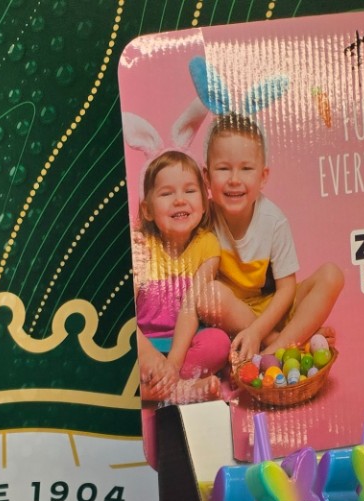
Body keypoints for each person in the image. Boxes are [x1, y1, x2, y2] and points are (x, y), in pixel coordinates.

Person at [197, 113, 342, 365]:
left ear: (263, 177)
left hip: (273, 309)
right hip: (234, 316)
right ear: (207, 177)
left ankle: (274, 349)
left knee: (332, 275)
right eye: (223, 168)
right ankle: (294, 340)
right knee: (209, 296)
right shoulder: (203, 216)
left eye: (246, 169)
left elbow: (286, 290)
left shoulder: (273, 221)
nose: (234, 179)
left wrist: (257, 331)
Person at [131, 150, 229, 403]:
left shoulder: (207, 245)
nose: (179, 200)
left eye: (189, 191)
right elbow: (125, 317)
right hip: (146, 344)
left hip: (185, 346)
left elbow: (190, 308)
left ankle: (160, 387)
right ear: (148, 210)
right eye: (166, 193)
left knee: (218, 342)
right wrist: (149, 356)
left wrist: (173, 364)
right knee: (116, 353)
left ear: (204, 203)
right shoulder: (141, 246)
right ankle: (180, 390)